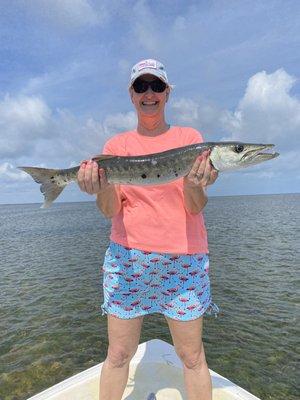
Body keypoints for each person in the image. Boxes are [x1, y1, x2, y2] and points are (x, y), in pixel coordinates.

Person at [77, 59, 219, 400]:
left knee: (192, 356)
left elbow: (195, 207)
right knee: (118, 355)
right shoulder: (116, 147)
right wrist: (101, 187)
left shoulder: (191, 140)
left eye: (156, 86)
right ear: (131, 94)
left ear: (167, 92)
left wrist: (196, 184)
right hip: (128, 262)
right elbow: (110, 210)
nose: (149, 93)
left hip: (183, 261)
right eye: (141, 86)